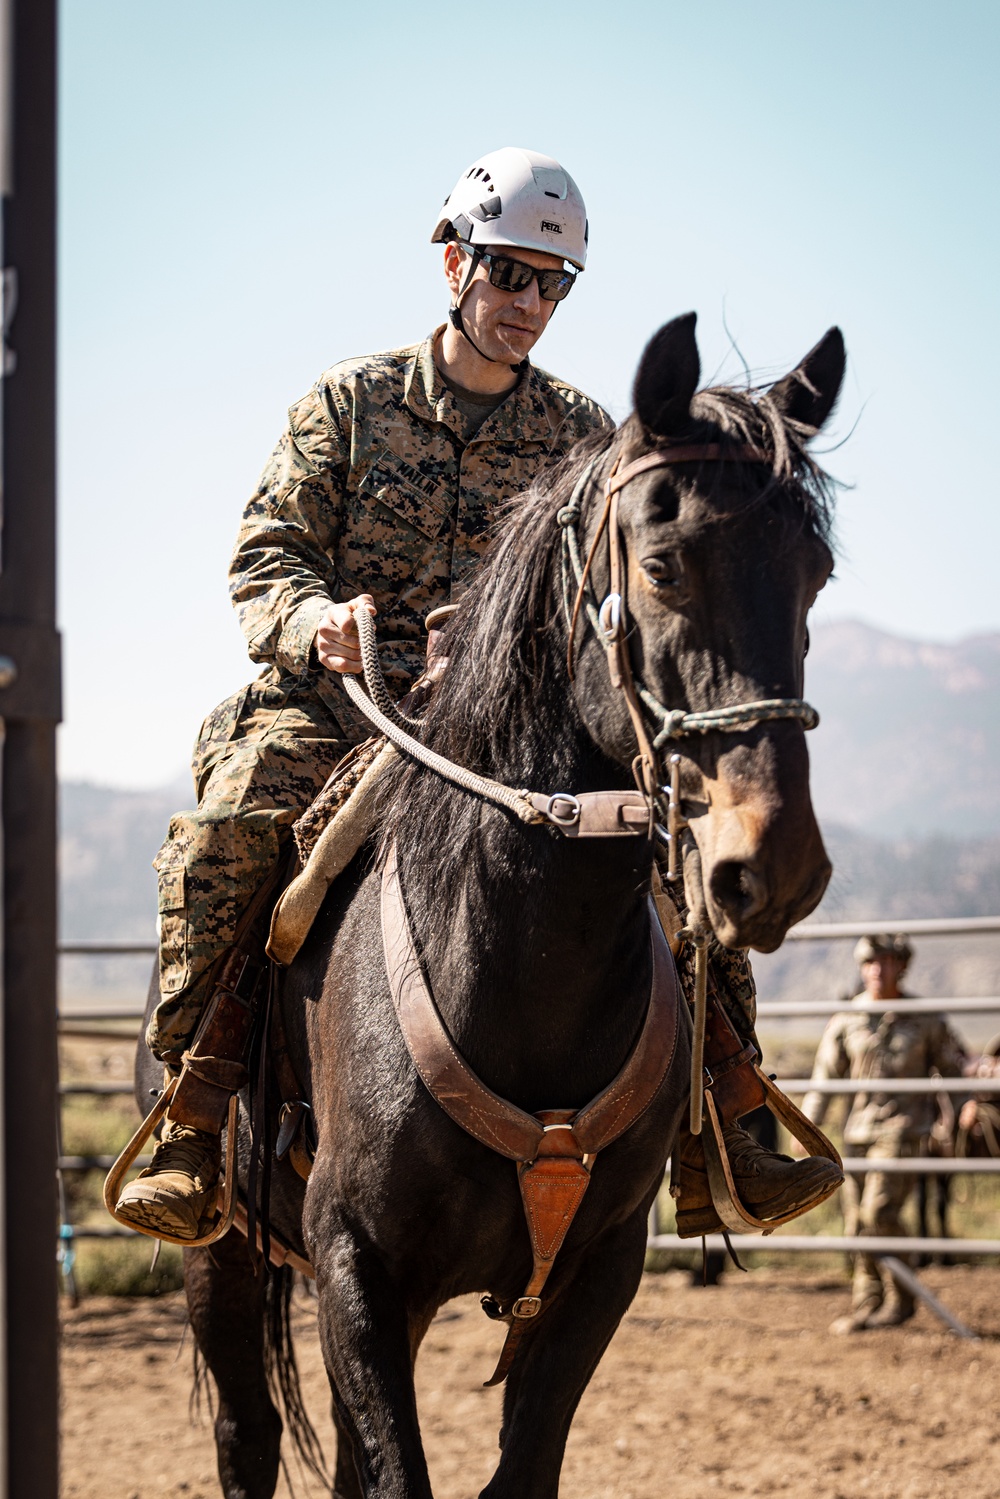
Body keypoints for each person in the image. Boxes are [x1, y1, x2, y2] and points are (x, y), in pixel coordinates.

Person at [115, 146, 840, 1243]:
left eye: (553, 284)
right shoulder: (349, 403)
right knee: (231, 828)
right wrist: (317, 619)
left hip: (504, 723)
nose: (530, 302)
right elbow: (266, 551)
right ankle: (195, 1100)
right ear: (454, 262)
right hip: (341, 698)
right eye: (510, 273)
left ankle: (726, 1108)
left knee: (673, 838)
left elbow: (609, 589)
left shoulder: (583, 434)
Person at [800, 934, 967, 1333]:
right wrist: (807, 1125)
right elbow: (825, 1076)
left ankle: (902, 1296)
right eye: (872, 962)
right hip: (857, 1132)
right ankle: (867, 1301)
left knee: (880, 1213)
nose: (879, 970)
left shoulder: (925, 1019)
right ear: (862, 968)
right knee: (857, 1220)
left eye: (888, 962)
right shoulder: (847, 1020)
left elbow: (953, 1071)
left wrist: (962, 1110)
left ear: (902, 967)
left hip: (903, 1132)